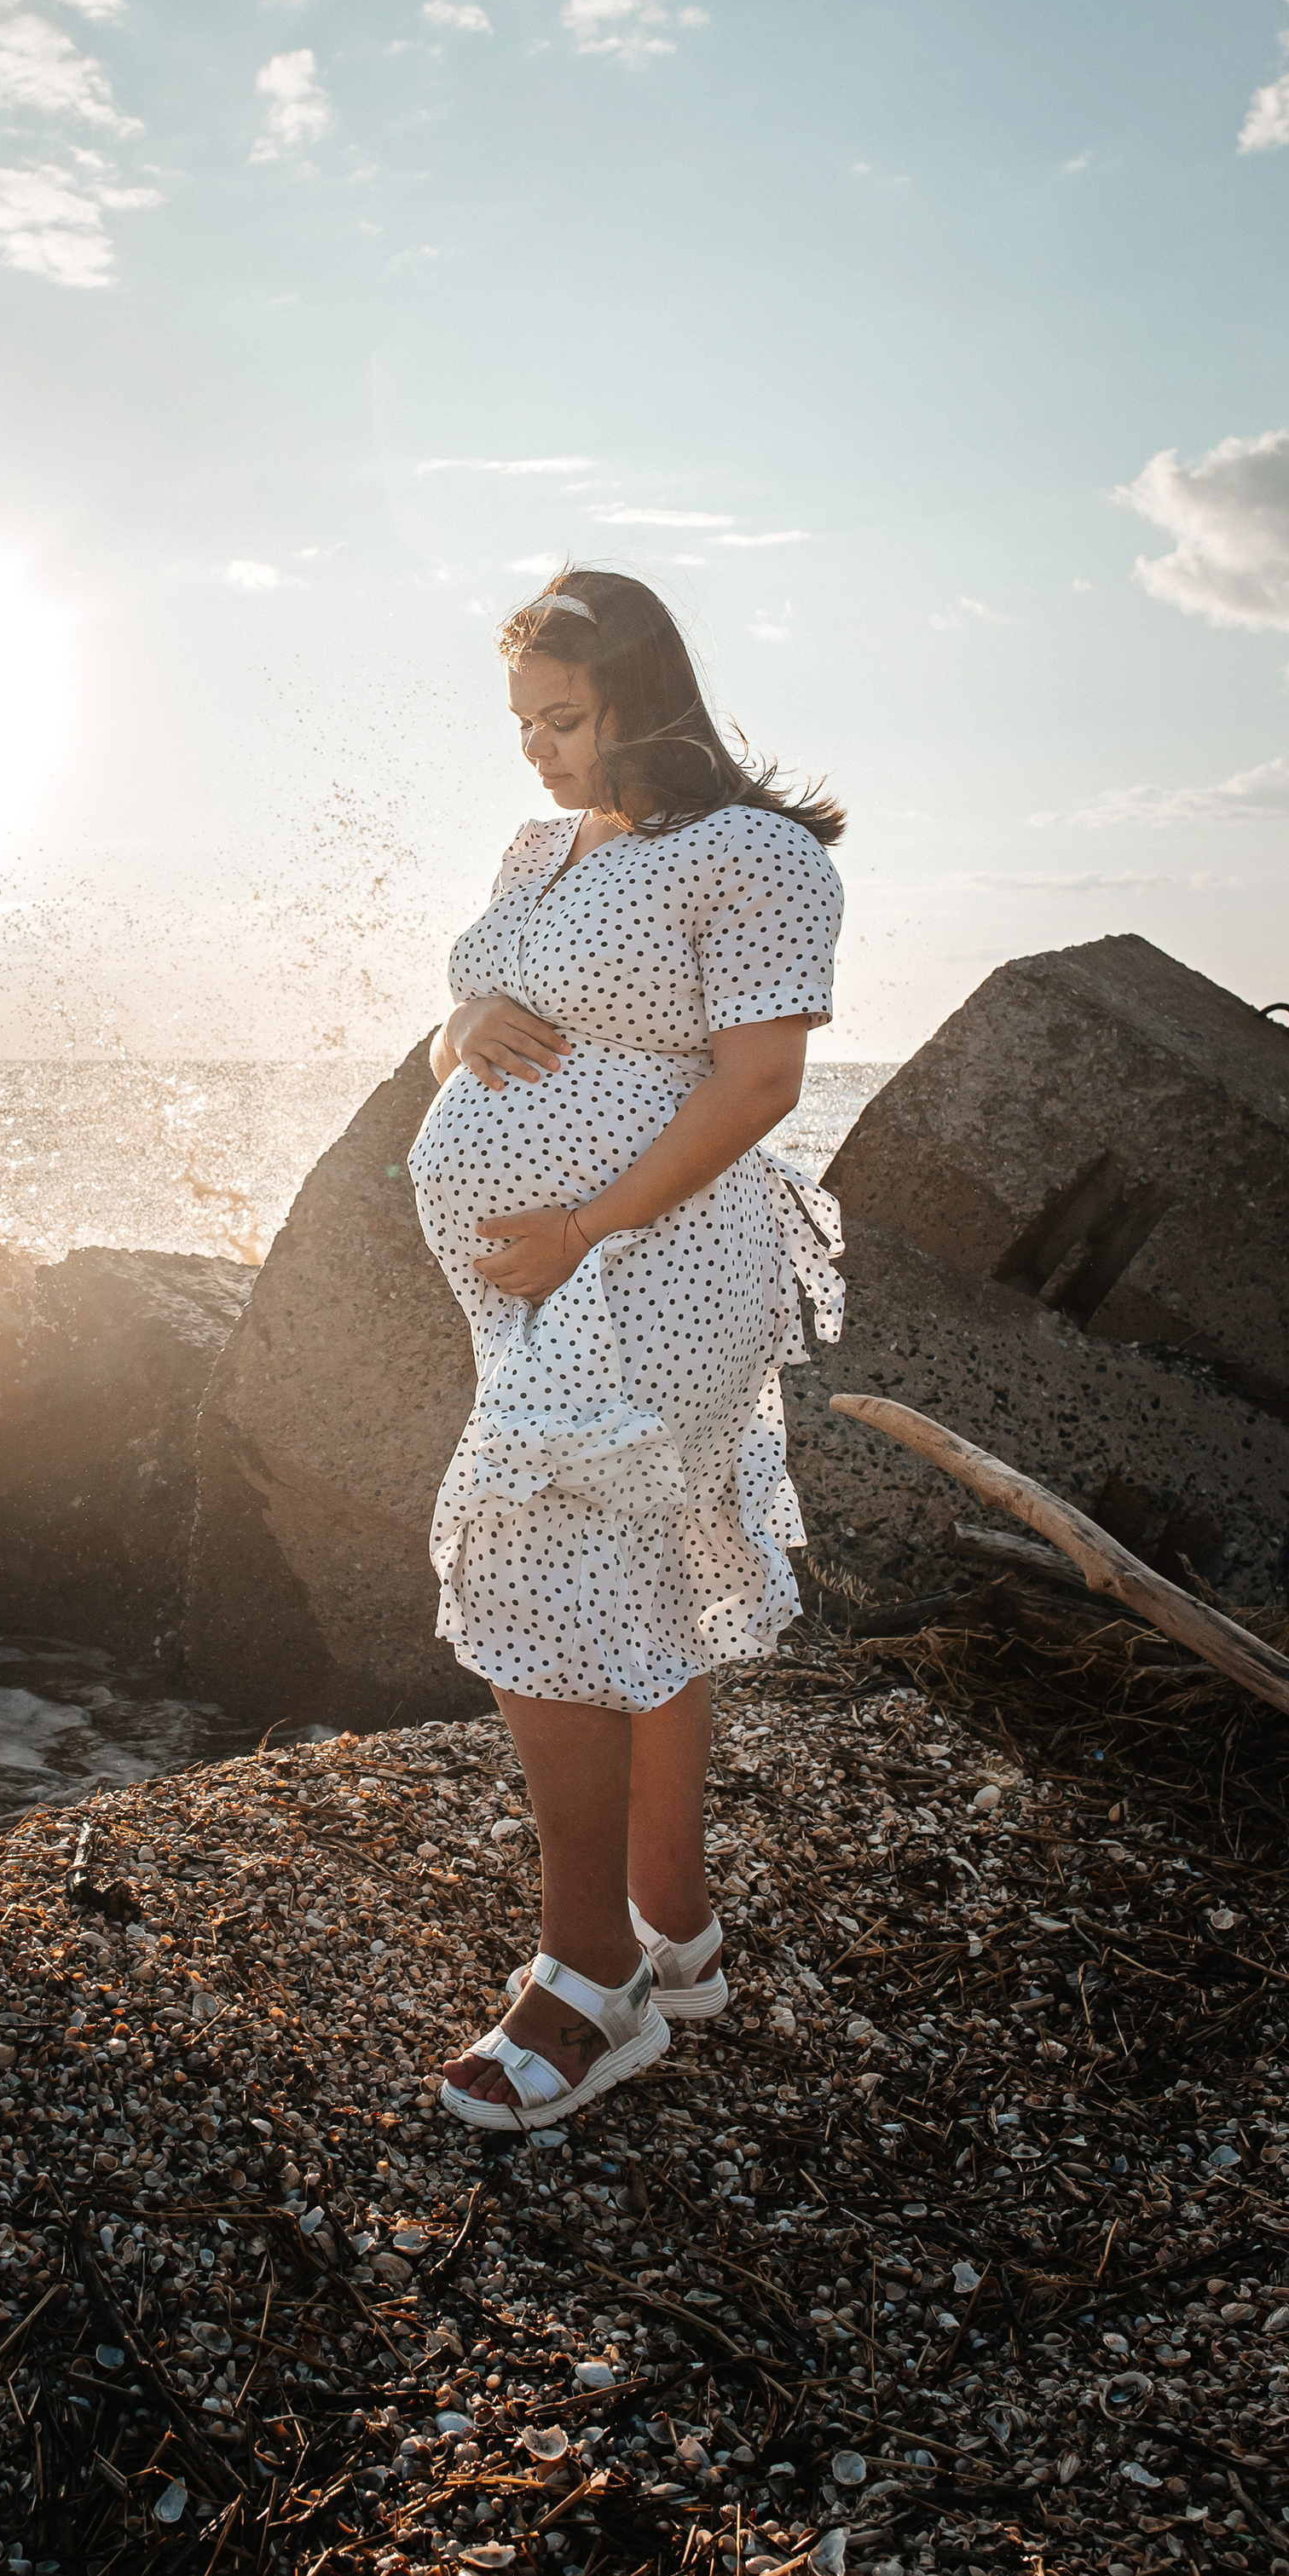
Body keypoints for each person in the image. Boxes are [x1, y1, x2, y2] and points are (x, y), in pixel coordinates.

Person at [408, 568, 847, 2133]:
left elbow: (756, 1090)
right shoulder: (542, 848)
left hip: (654, 1262)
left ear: (645, 697)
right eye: (523, 720)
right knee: (641, 1566)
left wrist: (584, 1221)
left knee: (546, 1564)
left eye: (567, 718)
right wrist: (466, 1026)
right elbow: (481, 1003)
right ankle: (680, 1925)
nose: (538, 748)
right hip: (533, 1284)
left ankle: (592, 1977)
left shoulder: (754, 856)